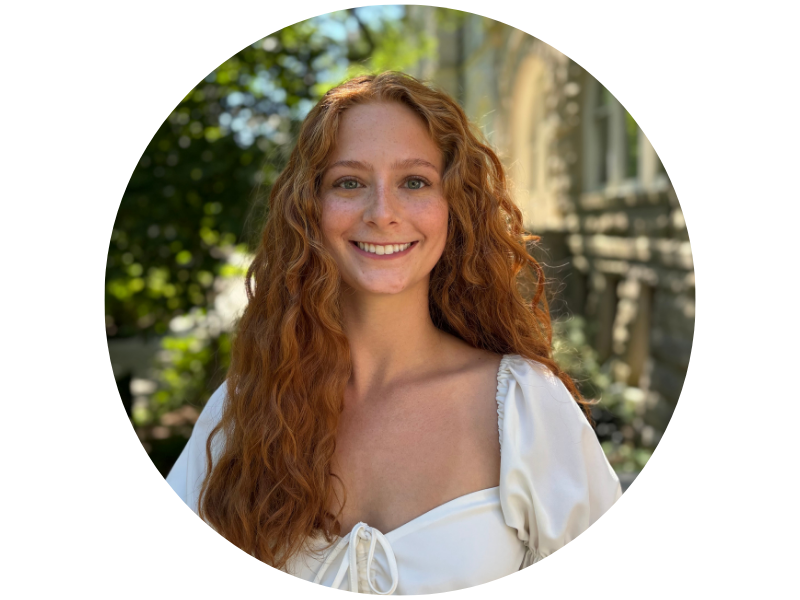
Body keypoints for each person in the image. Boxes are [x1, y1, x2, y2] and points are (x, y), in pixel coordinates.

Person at [167, 72, 621, 595]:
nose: (382, 213)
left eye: (414, 182)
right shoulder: (243, 410)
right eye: (349, 182)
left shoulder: (522, 405)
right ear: (309, 209)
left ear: (455, 206)